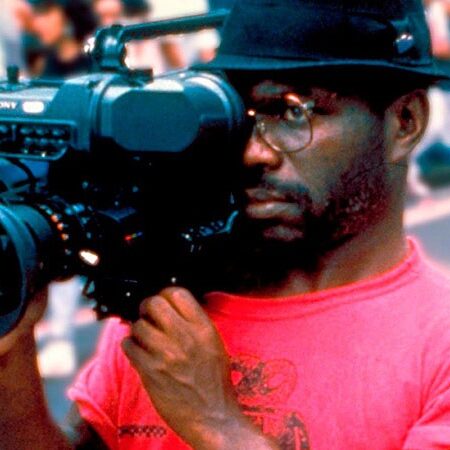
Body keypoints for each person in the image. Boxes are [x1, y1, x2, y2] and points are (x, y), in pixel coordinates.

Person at [1, 0, 450, 449]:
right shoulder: (171, 300)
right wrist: (10, 354)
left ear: (405, 123)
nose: (255, 153)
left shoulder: (439, 344)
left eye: (294, 112)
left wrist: (216, 424)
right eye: (245, 117)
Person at [28, 0, 97, 78]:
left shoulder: (95, 63)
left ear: (68, 16)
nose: (37, 23)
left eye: (46, 13)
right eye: (36, 15)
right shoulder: (42, 66)